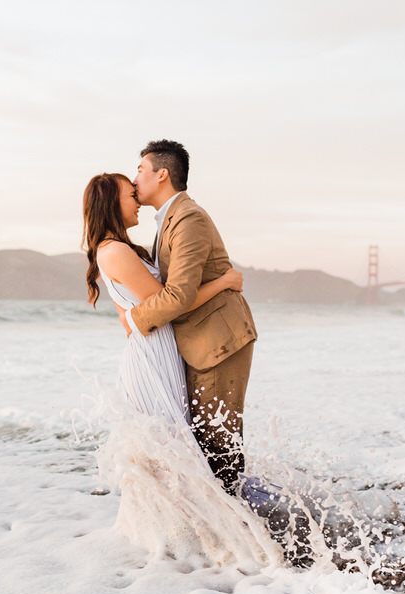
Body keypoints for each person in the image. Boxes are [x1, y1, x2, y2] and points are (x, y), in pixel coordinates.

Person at [82, 172, 285, 567]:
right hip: (151, 356)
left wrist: (134, 316)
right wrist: (224, 282)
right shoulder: (117, 250)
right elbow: (169, 301)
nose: (136, 198)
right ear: (110, 203)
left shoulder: (125, 247)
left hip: (162, 350)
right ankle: (185, 537)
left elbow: (144, 309)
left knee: (177, 446)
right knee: (170, 446)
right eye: (129, 193)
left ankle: (186, 535)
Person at [122, 140, 257, 497]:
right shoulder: (168, 219)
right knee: (206, 443)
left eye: (140, 170)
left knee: (218, 445)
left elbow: (179, 293)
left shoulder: (188, 217)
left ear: (161, 174)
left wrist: (134, 320)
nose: (135, 178)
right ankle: (227, 532)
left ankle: (246, 539)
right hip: (201, 341)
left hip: (217, 342)